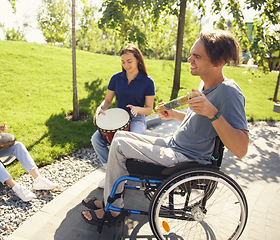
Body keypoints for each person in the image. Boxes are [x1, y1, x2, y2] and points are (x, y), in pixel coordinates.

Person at [81, 30, 249, 225]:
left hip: (185, 157)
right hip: (174, 145)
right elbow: (202, 123)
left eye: (197, 56)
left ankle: (113, 209)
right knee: (118, 136)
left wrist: (213, 113)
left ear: (217, 62)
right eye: (191, 54)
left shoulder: (229, 92)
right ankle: (111, 200)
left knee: (118, 147)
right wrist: (175, 115)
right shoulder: (205, 84)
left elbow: (241, 148)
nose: (190, 59)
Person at [91, 44, 155, 188]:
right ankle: (111, 172)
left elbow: (149, 109)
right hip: (118, 118)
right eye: (123, 62)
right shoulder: (116, 78)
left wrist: (138, 109)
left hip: (137, 118)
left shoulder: (147, 81)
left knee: (131, 143)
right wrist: (99, 109)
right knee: (96, 139)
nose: (126, 65)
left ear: (138, 60)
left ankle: (130, 173)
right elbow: (107, 101)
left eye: (129, 61)